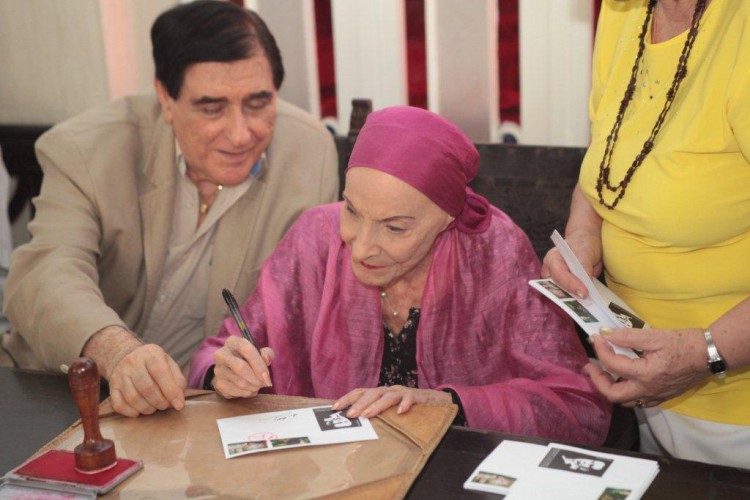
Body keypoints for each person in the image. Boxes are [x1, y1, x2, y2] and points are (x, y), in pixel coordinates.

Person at [189, 106, 611, 443]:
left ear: (446, 219)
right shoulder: (314, 238)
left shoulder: (494, 253)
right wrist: (223, 371)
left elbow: (575, 407)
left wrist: (448, 405)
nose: (363, 245)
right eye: (352, 210)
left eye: (395, 228)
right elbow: (215, 351)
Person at [1, 1, 339, 418]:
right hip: (62, 391)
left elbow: (299, 305)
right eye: (212, 108)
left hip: (200, 410)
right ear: (166, 97)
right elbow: (47, 272)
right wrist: (117, 351)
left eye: (257, 103)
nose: (240, 134)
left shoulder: (308, 153)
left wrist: (234, 368)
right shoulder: (87, 149)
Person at [542, 0, 750, 468]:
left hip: (736, 408)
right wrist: (583, 237)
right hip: (649, 385)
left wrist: (706, 353)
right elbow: (610, 157)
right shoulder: (625, 11)